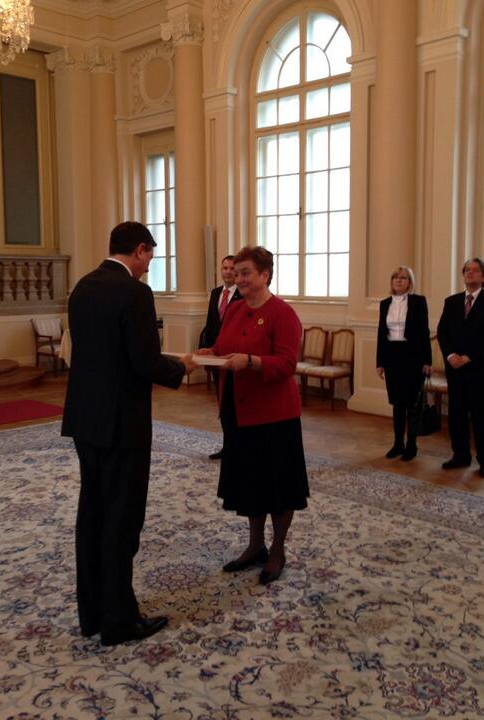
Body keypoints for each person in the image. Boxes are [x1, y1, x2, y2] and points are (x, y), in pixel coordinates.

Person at [62, 221, 195, 646]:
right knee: (121, 520)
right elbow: (144, 362)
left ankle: (93, 614)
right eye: (149, 257)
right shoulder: (135, 292)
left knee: (93, 514)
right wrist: (181, 367)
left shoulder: (82, 287)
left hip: (85, 420)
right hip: (122, 423)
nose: (148, 266)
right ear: (139, 249)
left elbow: (101, 355)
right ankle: (119, 620)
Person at [199, 246, 309, 585]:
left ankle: (277, 550)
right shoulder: (234, 309)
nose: (239, 278)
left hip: (274, 416)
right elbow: (222, 348)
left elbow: (287, 364)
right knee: (251, 482)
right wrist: (207, 353)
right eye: (236, 273)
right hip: (238, 410)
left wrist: (251, 361)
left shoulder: (283, 313)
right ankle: (255, 545)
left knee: (279, 486)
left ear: (265, 274)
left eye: (245, 272)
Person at [437, 258, 484, 477]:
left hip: (479, 368)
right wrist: (450, 355)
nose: (470, 272)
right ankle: (460, 455)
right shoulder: (451, 301)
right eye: (467, 269)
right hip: (454, 368)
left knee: (481, 416)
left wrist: (468, 357)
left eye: (475, 270)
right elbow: (442, 332)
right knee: (456, 414)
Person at [376, 266, 432, 461]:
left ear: (410, 282)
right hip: (392, 357)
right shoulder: (385, 303)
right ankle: (398, 443)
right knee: (397, 403)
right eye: (396, 277)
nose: (399, 280)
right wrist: (380, 362)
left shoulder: (418, 301)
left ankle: (411, 445)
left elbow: (424, 332)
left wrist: (427, 360)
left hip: (413, 357)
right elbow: (381, 334)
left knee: (412, 404)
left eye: (403, 277)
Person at [199, 255, 243, 460]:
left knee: (236, 406)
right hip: (215, 358)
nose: (228, 271)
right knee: (223, 405)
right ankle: (228, 445)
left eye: (232, 268)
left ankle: (240, 447)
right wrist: (206, 351)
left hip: (234, 358)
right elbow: (210, 325)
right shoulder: (216, 293)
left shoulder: (243, 295)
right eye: (225, 268)